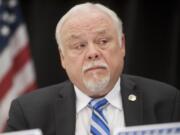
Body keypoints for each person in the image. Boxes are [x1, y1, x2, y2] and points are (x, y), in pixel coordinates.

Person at [5, 2, 180, 135]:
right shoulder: (28, 112)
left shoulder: (166, 102)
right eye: (79, 45)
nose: (92, 53)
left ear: (122, 45)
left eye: (103, 41)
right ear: (62, 58)